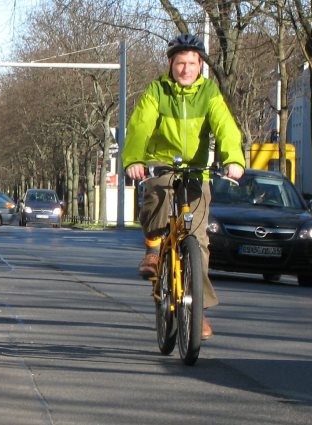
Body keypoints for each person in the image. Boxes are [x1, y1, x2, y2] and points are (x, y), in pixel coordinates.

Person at [121, 33, 246, 340]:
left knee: (199, 243)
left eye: (192, 63)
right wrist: (134, 159)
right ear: (171, 64)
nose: (186, 69)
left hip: (196, 170)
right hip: (162, 162)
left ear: (200, 64)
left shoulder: (210, 94)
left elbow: (226, 127)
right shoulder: (157, 91)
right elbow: (140, 125)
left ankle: (197, 311)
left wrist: (234, 160)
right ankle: (153, 250)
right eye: (180, 63)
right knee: (158, 192)